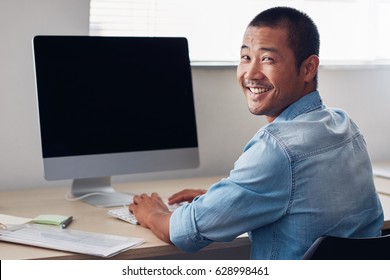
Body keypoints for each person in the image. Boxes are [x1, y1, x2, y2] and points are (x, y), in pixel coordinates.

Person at [129, 6, 384, 259]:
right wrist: (225, 200)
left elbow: (183, 233)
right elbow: (303, 200)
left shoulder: (276, 148)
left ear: (308, 68)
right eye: (245, 57)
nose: (250, 74)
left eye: (267, 59)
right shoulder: (343, 124)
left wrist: (153, 214)